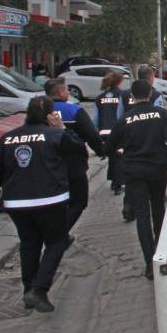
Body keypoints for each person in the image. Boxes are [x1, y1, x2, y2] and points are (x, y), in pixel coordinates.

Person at [0, 95, 82, 313]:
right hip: (50, 200)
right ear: (51, 115)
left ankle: (28, 290)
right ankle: (39, 289)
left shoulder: (7, 138)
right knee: (56, 241)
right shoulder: (54, 135)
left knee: (29, 244)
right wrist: (62, 128)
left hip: (16, 203)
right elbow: (78, 150)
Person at [105, 80, 167, 280]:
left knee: (142, 215)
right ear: (150, 94)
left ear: (132, 96)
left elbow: (108, 149)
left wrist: (121, 153)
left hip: (134, 172)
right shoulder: (162, 115)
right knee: (158, 209)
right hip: (157, 169)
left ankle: (149, 263)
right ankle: (162, 252)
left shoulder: (125, 119)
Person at [45, 78, 105, 238]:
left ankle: (55, 232)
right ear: (60, 92)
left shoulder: (40, 112)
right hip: (73, 164)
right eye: (66, 90)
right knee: (79, 201)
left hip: (47, 164)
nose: (68, 93)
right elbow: (91, 134)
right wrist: (101, 151)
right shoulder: (74, 110)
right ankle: (59, 235)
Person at [95, 70, 128, 196]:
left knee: (112, 157)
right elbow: (123, 114)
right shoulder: (122, 95)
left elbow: (96, 119)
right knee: (119, 157)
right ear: (119, 82)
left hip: (104, 132)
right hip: (117, 131)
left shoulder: (100, 98)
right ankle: (117, 184)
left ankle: (113, 180)